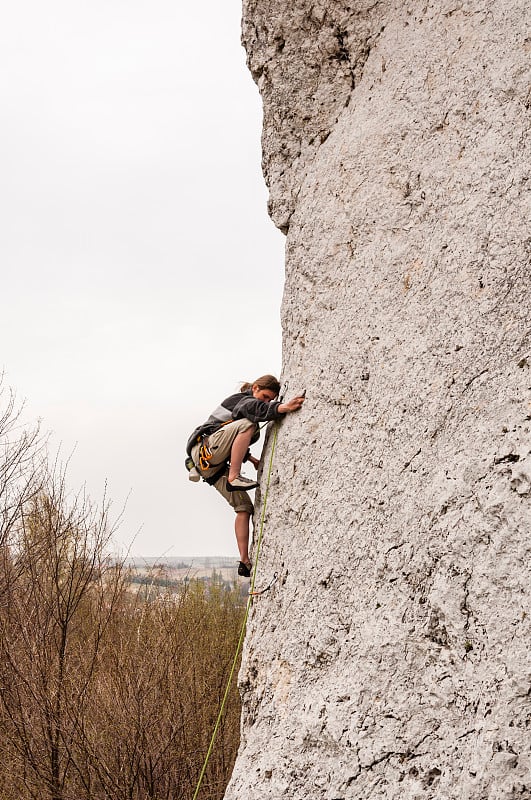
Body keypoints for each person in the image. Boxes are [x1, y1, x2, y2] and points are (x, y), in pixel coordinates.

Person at [185, 375, 305, 577]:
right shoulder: (243, 400)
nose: (265, 402)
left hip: (212, 465)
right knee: (248, 424)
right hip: (205, 450)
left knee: (244, 508)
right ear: (255, 388)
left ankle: (244, 560)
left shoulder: (247, 403)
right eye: (265, 396)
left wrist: (251, 459)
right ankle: (234, 476)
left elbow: (229, 438)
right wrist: (281, 408)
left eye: (270, 400)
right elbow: (249, 412)